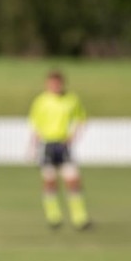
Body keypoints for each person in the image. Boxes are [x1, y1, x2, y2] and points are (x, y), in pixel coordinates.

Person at [28, 69, 91, 230]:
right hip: (47, 145)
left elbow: (80, 119)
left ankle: (80, 218)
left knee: (73, 181)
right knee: (50, 181)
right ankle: (54, 217)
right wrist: (33, 147)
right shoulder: (41, 101)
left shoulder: (71, 99)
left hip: (63, 145)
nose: (55, 86)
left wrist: (73, 136)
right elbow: (35, 126)